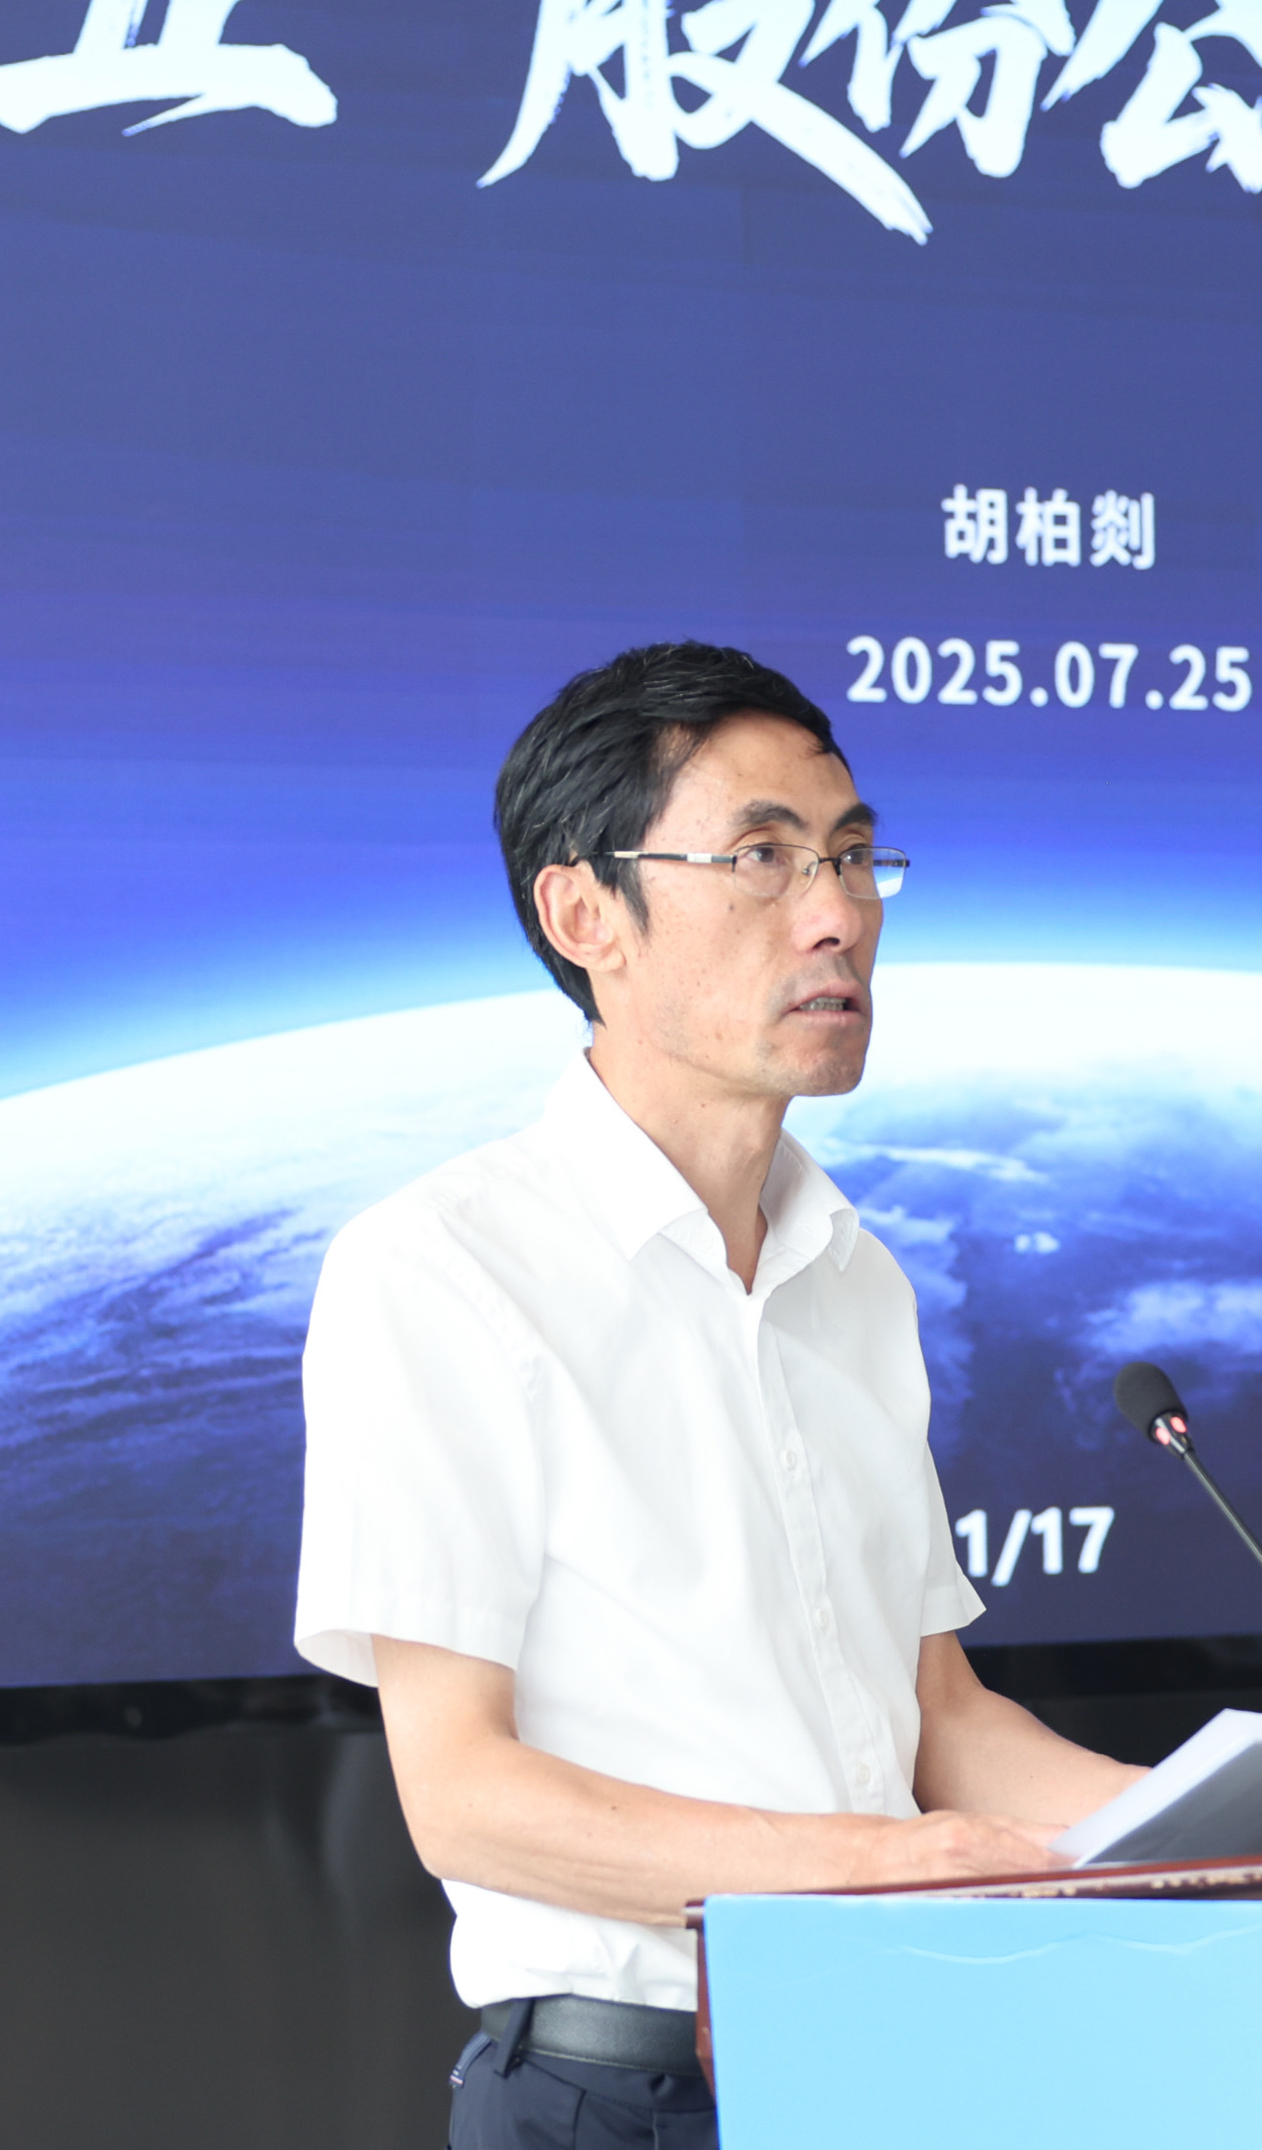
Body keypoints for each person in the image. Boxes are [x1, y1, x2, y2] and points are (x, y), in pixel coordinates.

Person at [294, 641, 1143, 2150]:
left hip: (890, 2071)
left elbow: (942, 1721)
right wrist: (879, 1866)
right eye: (761, 857)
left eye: (853, 855)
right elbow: (463, 1794)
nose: (836, 913)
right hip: (624, 2099)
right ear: (584, 914)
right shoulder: (440, 1267)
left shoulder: (855, 1277)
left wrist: (1261, 1825)